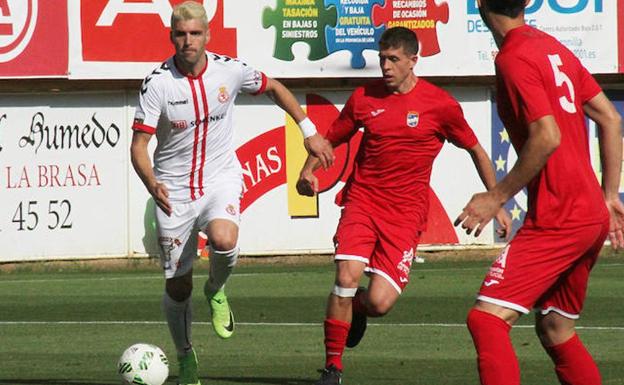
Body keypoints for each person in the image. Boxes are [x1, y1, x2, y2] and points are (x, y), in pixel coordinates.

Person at [130, 2, 334, 384]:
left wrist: (309, 132)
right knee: (178, 285)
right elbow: (139, 146)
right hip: (172, 191)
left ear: (207, 35)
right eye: (180, 34)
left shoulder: (230, 70)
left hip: (220, 178)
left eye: (195, 33)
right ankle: (185, 354)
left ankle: (218, 289)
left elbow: (273, 86)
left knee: (224, 239)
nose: (188, 41)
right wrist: (150, 182)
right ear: (171, 37)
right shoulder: (157, 83)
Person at [297, 26, 511, 385]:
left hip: (405, 216)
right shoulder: (364, 97)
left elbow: (475, 149)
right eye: (382, 58)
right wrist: (307, 171)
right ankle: (332, 367)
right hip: (362, 202)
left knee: (380, 303)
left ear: (414, 60)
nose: (385, 65)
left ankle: (359, 309)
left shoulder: (440, 105)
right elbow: (331, 138)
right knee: (345, 276)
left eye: (393, 59)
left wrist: (497, 198)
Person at [454, 1, 624, 384]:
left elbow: (547, 136)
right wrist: (610, 195)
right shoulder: (552, 48)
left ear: (480, 4)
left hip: (560, 214)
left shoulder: (513, 57)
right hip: (590, 215)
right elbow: (610, 118)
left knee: (486, 320)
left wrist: (496, 195)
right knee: (555, 328)